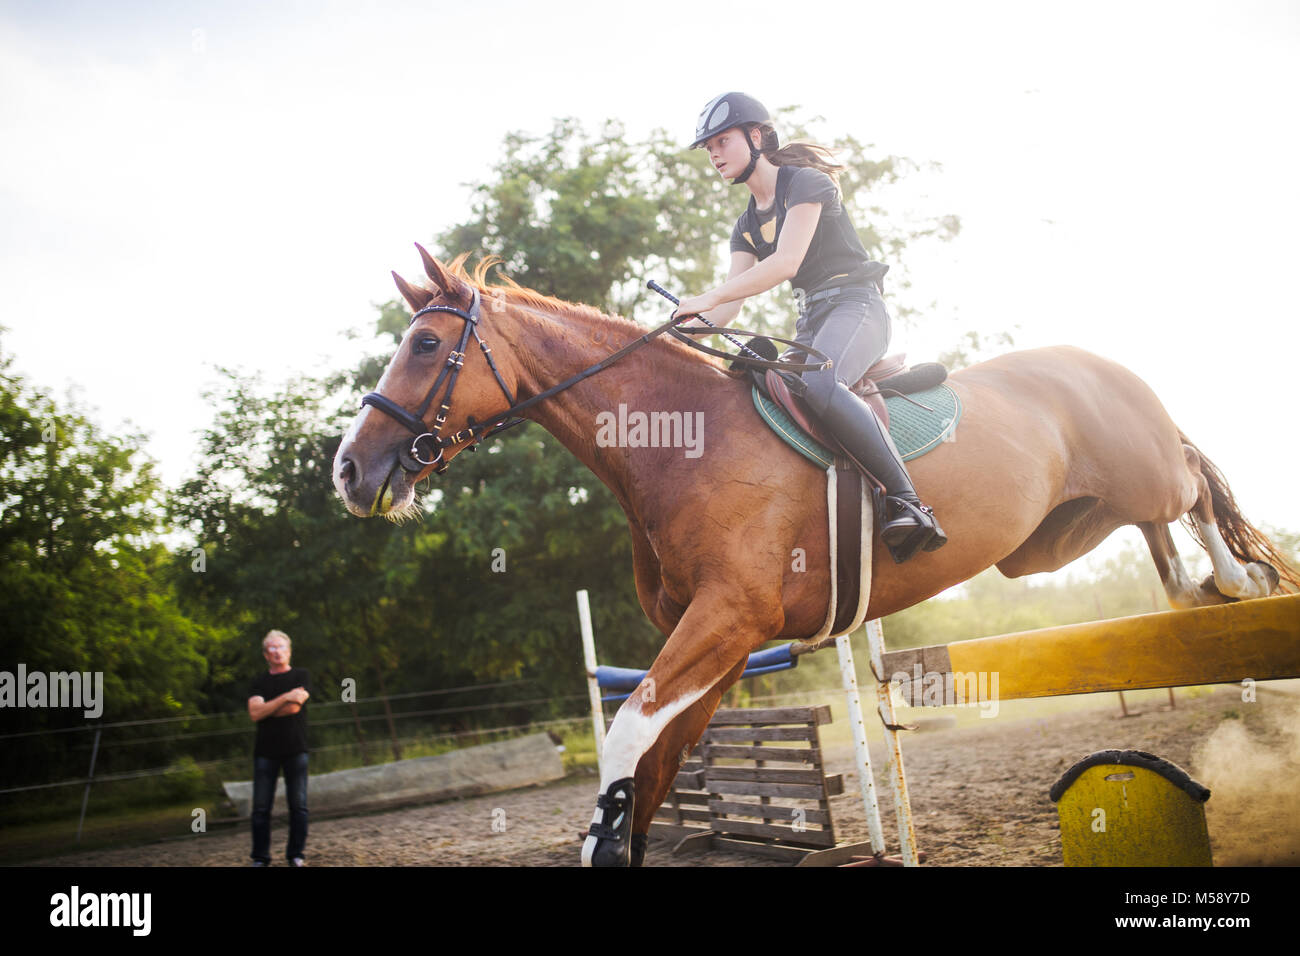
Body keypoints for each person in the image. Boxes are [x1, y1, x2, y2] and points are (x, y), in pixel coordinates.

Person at [673, 92, 946, 563]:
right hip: (811, 320)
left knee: (820, 381)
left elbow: (786, 262)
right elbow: (729, 307)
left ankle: (909, 503)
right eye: (709, 148)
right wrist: (685, 325)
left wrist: (711, 296)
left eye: (722, 141)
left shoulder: (805, 184)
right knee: (761, 385)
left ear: (756, 136)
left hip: (856, 306)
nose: (714, 154)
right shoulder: (744, 225)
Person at [247, 629, 310, 866]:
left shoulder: (301, 675)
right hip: (265, 752)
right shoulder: (258, 681)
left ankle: (295, 855)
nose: (277, 651)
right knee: (261, 808)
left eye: (281, 647)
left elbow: (295, 708)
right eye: (271, 648)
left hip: (296, 748)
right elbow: (255, 713)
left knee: (299, 806)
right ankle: (260, 857)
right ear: (265, 654)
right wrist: (285, 698)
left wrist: (268, 708)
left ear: (289, 651)